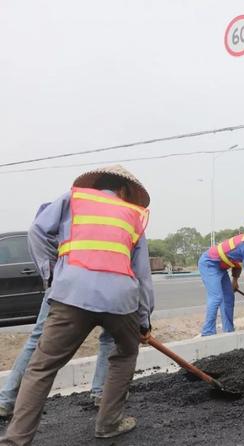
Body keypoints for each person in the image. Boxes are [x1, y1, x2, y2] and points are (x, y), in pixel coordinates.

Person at [0, 165, 155, 444]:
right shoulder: (133, 216)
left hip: (72, 295)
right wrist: (144, 321)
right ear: (123, 191)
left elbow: (36, 231)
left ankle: (15, 440)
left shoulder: (73, 199)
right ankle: (108, 423)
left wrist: (52, 273)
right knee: (125, 354)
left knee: (41, 367)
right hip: (121, 300)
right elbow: (142, 274)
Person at [0, 203, 115, 419]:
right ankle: (101, 393)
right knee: (109, 337)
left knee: (40, 338)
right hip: (91, 284)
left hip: (74, 282)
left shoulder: (82, 208)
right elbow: (37, 232)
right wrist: (51, 273)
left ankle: (6, 400)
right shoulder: (70, 204)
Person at [197, 226, 244, 336]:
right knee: (216, 297)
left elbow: (237, 264)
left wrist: (234, 281)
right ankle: (207, 332)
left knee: (228, 297)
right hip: (209, 263)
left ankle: (228, 331)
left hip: (221, 266)